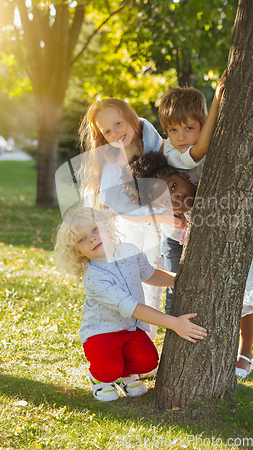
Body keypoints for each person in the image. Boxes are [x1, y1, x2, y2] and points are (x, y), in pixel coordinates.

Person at [122, 152, 253, 379]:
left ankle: (245, 354)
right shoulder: (175, 220)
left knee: (248, 288)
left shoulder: (214, 185)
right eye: (166, 200)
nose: (175, 196)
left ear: (185, 177)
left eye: (174, 185)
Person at [54, 206, 207, 402]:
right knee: (109, 369)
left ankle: (126, 375)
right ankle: (100, 378)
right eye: (81, 239)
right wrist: (174, 323)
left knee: (147, 362)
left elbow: (150, 274)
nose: (92, 238)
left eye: (95, 229)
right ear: (79, 253)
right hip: (102, 332)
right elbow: (133, 308)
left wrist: (179, 280)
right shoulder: (95, 278)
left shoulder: (129, 250)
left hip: (129, 328)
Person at [78, 98, 183, 341]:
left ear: (131, 118)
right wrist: (162, 216)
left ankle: (158, 339)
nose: (115, 132)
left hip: (158, 220)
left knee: (160, 276)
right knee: (136, 281)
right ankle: (138, 340)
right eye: (107, 131)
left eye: (118, 123)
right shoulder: (111, 162)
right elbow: (119, 210)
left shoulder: (149, 135)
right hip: (128, 224)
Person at [157, 71, 227, 314]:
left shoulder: (214, 147)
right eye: (173, 130)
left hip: (199, 229)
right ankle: (171, 324)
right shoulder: (172, 153)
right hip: (174, 234)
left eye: (188, 127)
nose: (181, 136)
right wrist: (217, 99)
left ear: (202, 124)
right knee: (175, 283)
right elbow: (202, 147)